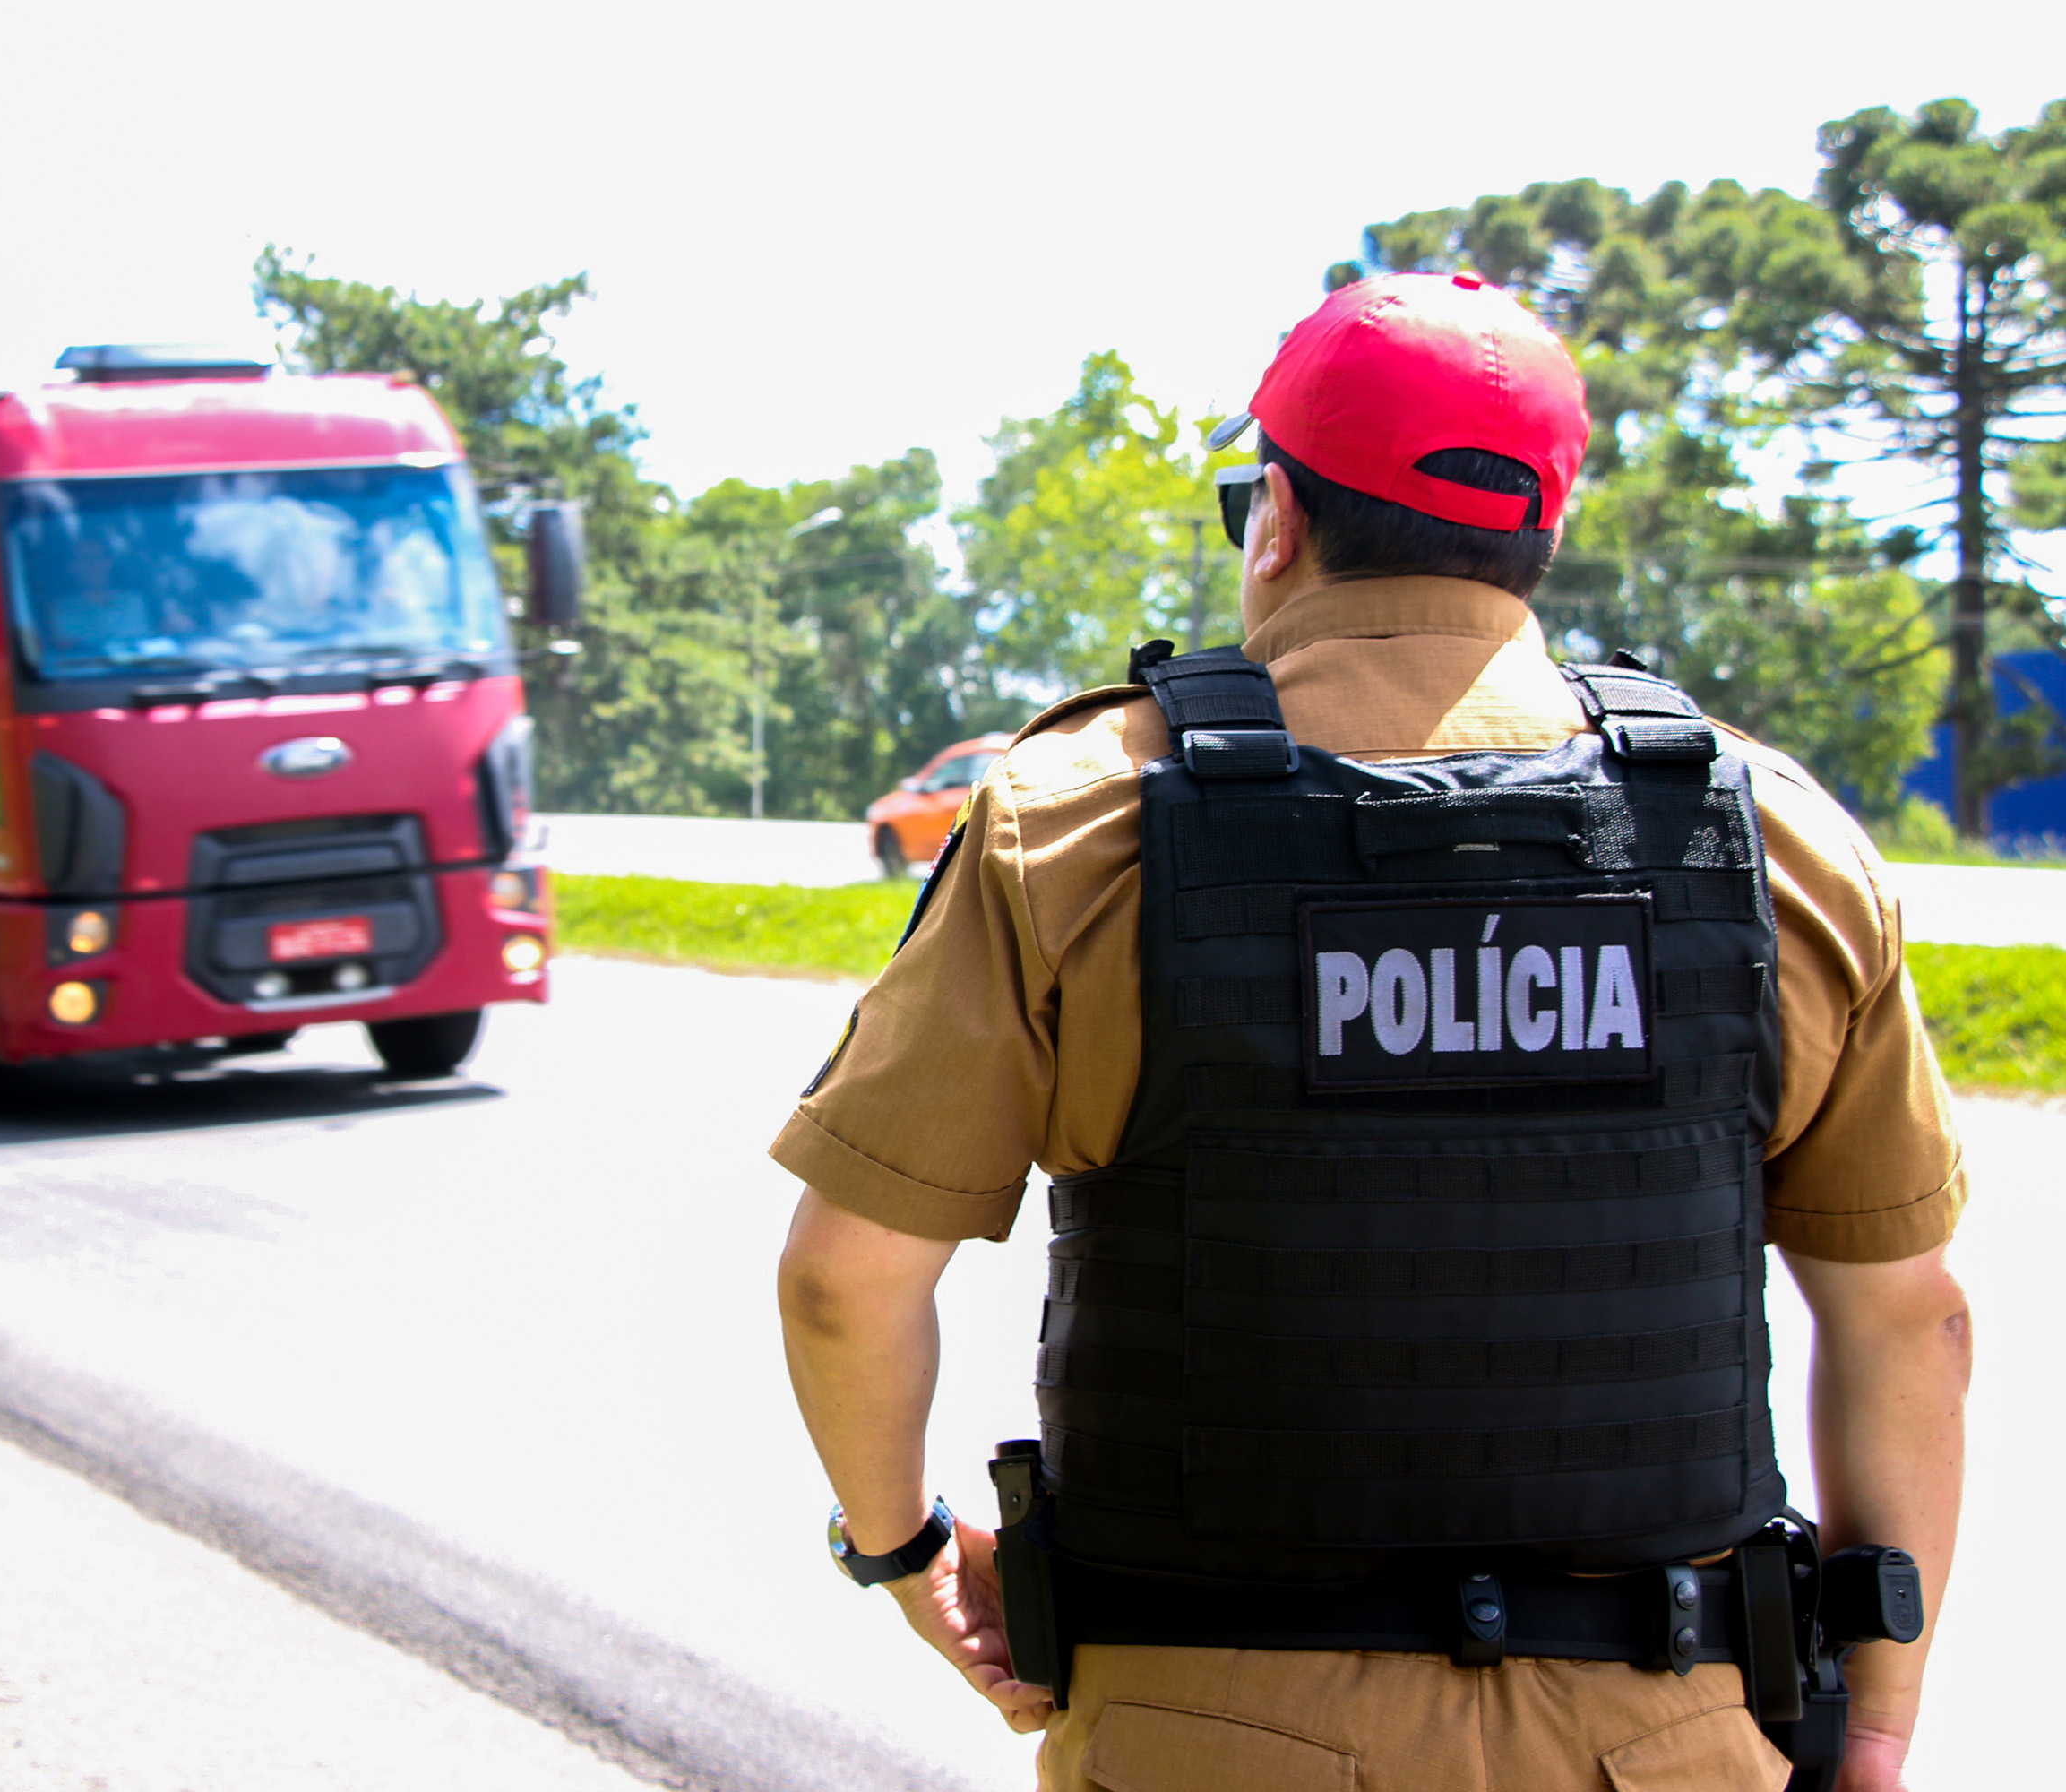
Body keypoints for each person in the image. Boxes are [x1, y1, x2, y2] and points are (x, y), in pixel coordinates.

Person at [773, 272, 1970, 1791]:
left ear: (1275, 517)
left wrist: (904, 1551)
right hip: (1668, 1737)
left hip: (1196, 1737)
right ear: (1537, 533)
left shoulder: (1073, 823)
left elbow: (841, 1284)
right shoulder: (1774, 839)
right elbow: (1909, 1321)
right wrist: (1871, 1727)